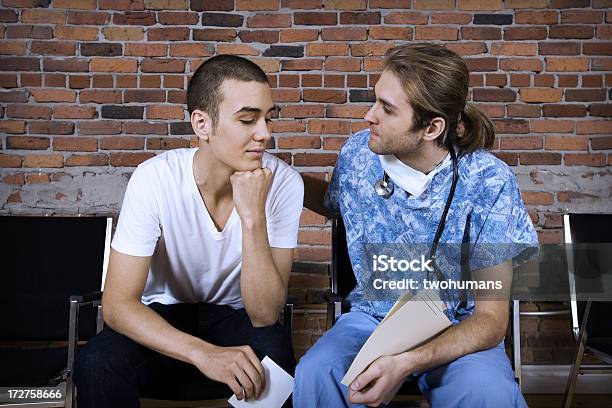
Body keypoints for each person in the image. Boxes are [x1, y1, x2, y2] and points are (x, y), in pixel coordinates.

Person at [295, 43, 538, 407]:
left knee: (489, 393)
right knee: (316, 373)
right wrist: (278, 177)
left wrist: (405, 362)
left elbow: (490, 319)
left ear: (431, 127)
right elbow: (335, 202)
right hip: (373, 317)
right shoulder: (358, 155)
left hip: (460, 326)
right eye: (375, 100)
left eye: (386, 109)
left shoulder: (489, 181)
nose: (368, 116)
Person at [74, 55, 304, 407]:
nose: (265, 134)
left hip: (235, 318)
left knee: (276, 356)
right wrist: (203, 354)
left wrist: (253, 217)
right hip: (162, 317)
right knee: (96, 362)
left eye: (268, 118)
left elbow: (264, 314)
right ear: (202, 124)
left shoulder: (284, 183)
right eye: (247, 119)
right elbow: (118, 305)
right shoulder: (155, 178)